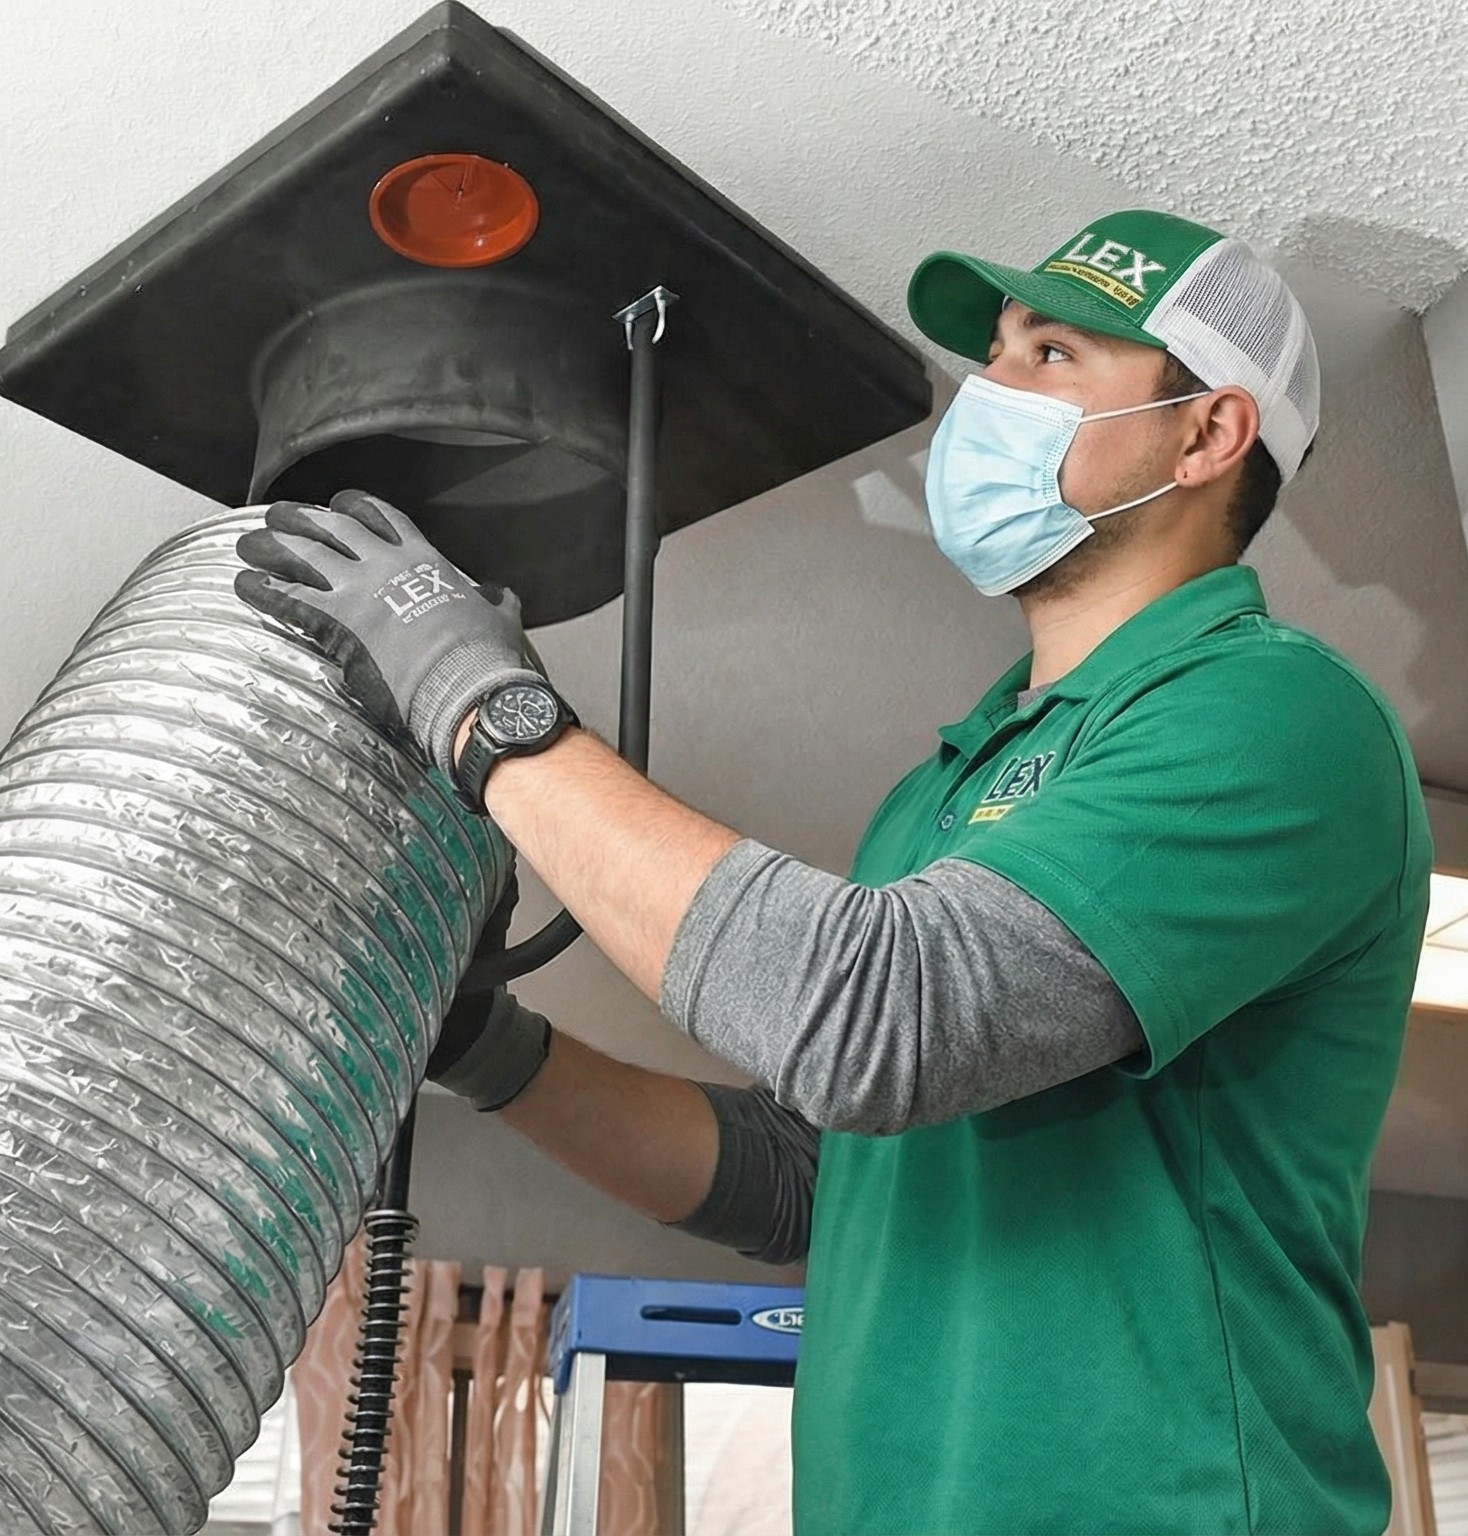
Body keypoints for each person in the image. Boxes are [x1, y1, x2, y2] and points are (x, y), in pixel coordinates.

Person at [236, 208, 1432, 1536]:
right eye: (994, 355)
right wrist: (483, 1042)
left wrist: (478, 703)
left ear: (1207, 435)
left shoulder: (1270, 712)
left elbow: (877, 1022)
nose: (989, 391)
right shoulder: (942, 794)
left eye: (1050, 355)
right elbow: (813, 1172)